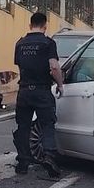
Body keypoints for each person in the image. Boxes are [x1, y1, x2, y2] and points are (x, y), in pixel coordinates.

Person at [12, 12, 63, 178]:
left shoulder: (20, 43)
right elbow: (54, 67)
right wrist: (60, 84)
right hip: (42, 90)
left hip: (24, 91)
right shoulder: (48, 43)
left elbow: (20, 66)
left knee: (23, 126)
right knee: (47, 124)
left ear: (30, 25)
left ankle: (23, 162)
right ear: (45, 26)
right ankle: (49, 157)